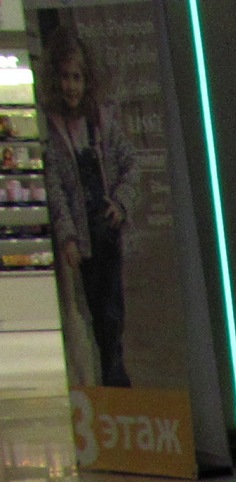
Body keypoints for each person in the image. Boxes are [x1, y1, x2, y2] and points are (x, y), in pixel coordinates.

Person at [41, 24, 134, 389]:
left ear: (87, 79)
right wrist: (66, 236)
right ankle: (100, 382)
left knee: (112, 314)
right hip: (80, 244)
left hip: (107, 234)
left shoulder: (101, 123)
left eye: (77, 77)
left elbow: (131, 165)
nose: (71, 86)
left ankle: (116, 380)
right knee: (89, 314)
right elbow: (55, 190)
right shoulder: (52, 132)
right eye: (65, 77)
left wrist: (121, 203)